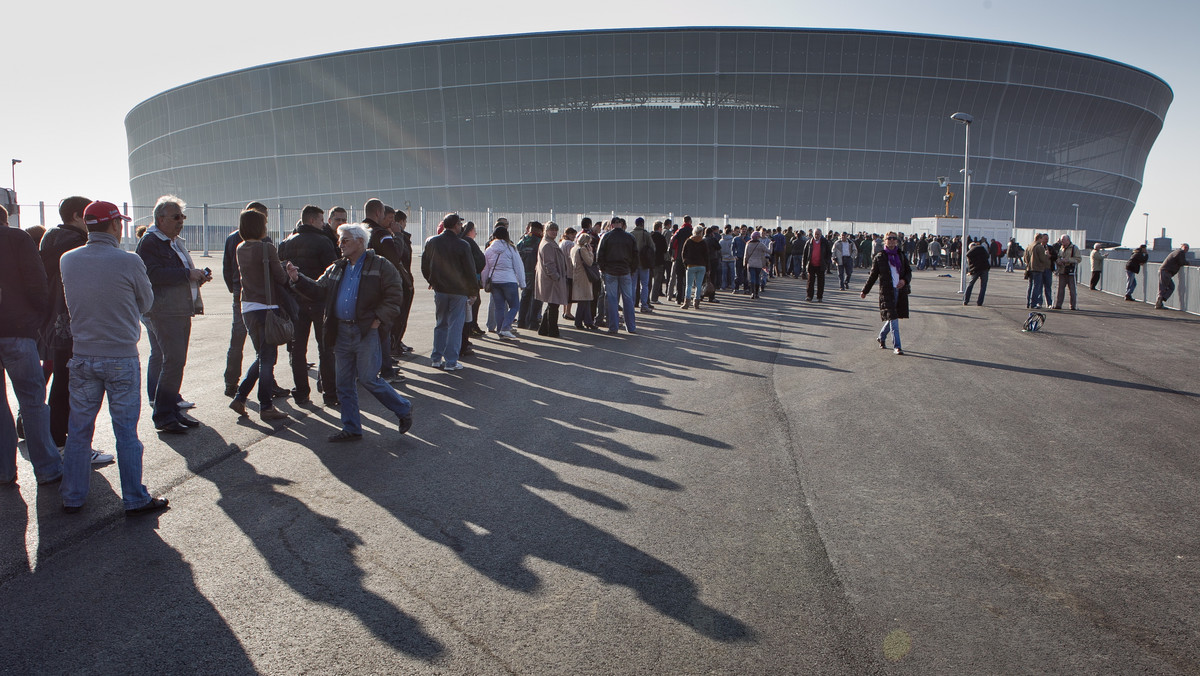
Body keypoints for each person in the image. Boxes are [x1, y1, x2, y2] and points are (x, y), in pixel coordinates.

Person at [58, 200, 167, 514]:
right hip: (120, 355)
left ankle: (73, 495)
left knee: (79, 430)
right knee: (125, 431)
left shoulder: (68, 260)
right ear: (115, 225)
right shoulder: (128, 261)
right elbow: (146, 302)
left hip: (82, 356)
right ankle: (134, 497)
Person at [287, 223, 412, 441]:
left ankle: (403, 408)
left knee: (368, 379)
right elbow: (319, 290)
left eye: (345, 240)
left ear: (360, 242)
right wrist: (298, 279)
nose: (340, 244)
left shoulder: (380, 265)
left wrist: (378, 319)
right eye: (339, 240)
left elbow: (395, 294)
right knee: (343, 383)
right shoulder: (337, 267)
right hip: (341, 331)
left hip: (365, 331)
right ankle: (352, 427)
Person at [37, 195, 114, 464]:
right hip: (74, 323)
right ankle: (70, 446)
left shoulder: (50, 239)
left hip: (53, 323)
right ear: (77, 216)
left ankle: (58, 442)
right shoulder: (76, 244)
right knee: (76, 389)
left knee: (61, 384)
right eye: (87, 214)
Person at [1, 205, 65, 487]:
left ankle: (3, 470)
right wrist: (37, 320)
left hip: (15, 328)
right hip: (17, 330)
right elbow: (36, 282)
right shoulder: (16, 239)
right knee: (32, 402)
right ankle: (48, 469)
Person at [136, 195, 211, 434]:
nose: (180, 222)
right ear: (160, 219)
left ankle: (171, 410)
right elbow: (152, 274)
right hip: (164, 310)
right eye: (175, 217)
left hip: (177, 309)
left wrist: (196, 276)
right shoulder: (151, 242)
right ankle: (163, 414)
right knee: (171, 361)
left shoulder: (172, 241)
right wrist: (186, 275)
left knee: (175, 362)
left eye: (182, 217)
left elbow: (176, 272)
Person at [228, 209, 290, 422]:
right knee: (268, 358)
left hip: (248, 307)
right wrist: (287, 270)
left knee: (262, 356)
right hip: (266, 307)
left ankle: (240, 397)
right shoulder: (267, 248)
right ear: (260, 226)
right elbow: (280, 278)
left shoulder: (240, 248)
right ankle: (265, 405)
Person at [278, 205, 338, 407]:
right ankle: (330, 392)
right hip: (319, 300)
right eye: (321, 220)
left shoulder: (286, 242)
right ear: (312, 220)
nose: (324, 224)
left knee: (297, 349)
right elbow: (332, 272)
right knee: (326, 348)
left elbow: (281, 272)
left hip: (295, 301)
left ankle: (301, 392)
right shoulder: (324, 242)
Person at [222, 202, 275, 398]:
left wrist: (234, 288)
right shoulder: (264, 242)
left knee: (238, 340)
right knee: (264, 347)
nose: (266, 222)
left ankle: (231, 382)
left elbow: (226, 267)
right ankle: (264, 385)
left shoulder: (232, 239)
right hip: (258, 296)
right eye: (265, 218)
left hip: (241, 294)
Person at [421, 214, 479, 370]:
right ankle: (451, 361)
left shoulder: (432, 242)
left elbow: (425, 265)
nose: (461, 227)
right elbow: (469, 269)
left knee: (441, 323)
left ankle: (436, 358)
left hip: (440, 289)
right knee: (455, 325)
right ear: (455, 226)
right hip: (458, 290)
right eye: (459, 225)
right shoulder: (462, 245)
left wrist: (431, 281)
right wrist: (473, 290)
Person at [861, 232, 912, 355]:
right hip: (887, 291)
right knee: (893, 318)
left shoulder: (901, 255)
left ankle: (881, 337)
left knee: (892, 316)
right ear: (885, 241)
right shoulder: (880, 257)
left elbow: (908, 272)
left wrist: (904, 280)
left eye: (895, 238)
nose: (892, 240)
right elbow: (873, 276)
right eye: (889, 238)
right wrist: (865, 291)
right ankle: (897, 346)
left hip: (900, 290)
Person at [481, 225, 524, 339]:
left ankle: (500, 331)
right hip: (509, 280)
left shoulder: (489, 250)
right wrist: (522, 282)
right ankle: (505, 327)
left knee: (499, 307)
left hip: (494, 281)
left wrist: (484, 282)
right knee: (515, 306)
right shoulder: (511, 248)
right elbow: (518, 266)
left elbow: (485, 268)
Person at [596, 217, 638, 334]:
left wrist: (603, 269)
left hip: (610, 271)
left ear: (612, 225)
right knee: (628, 299)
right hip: (625, 271)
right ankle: (631, 326)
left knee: (612, 299)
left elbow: (600, 254)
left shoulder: (606, 237)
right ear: (622, 224)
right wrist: (632, 269)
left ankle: (613, 327)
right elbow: (635, 255)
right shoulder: (630, 237)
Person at [535, 223, 570, 337]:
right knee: (554, 305)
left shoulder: (549, 242)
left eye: (556, 230)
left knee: (552, 304)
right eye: (552, 230)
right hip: (551, 280)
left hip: (551, 279)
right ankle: (553, 331)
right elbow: (548, 264)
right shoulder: (548, 245)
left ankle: (544, 329)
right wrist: (556, 276)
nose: (554, 232)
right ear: (546, 231)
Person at [515, 221, 544, 329]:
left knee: (525, 297)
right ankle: (533, 322)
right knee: (537, 298)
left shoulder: (522, 241)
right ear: (540, 230)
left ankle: (521, 321)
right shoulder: (540, 242)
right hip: (536, 273)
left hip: (524, 273)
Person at [569, 233, 598, 330]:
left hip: (577, 275)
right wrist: (591, 252)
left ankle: (587, 321)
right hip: (584, 276)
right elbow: (589, 262)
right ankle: (581, 321)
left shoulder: (573, 249)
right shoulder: (583, 250)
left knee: (584, 300)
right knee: (584, 300)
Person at [1155, 243, 1190, 309]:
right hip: (1166, 271)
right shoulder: (1180, 252)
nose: (1186, 249)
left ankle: (1160, 300)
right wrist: (1187, 263)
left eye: (1187, 248)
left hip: (1164, 271)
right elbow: (1181, 262)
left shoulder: (1176, 252)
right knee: (1164, 288)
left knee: (1170, 287)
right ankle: (1159, 302)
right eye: (1185, 247)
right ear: (1182, 247)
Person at [680, 227, 708, 309]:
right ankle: (696, 302)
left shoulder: (689, 241)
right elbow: (706, 256)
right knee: (698, 285)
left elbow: (683, 253)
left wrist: (685, 263)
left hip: (691, 265)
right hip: (702, 265)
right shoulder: (703, 242)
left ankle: (687, 302)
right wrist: (708, 267)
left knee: (688, 285)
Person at [802, 229, 833, 301]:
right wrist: (804, 266)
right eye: (815, 234)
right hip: (811, 264)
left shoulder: (824, 242)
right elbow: (805, 255)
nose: (816, 236)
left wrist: (826, 262)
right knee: (810, 282)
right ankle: (809, 296)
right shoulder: (809, 242)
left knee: (821, 282)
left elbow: (829, 253)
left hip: (821, 265)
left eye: (818, 234)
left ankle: (819, 297)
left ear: (821, 234)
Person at [1053, 234, 1081, 310]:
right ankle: (1058, 304)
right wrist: (1058, 261)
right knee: (1060, 289)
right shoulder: (1061, 248)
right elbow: (1058, 257)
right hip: (1062, 271)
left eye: (1063, 240)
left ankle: (1073, 305)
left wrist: (1068, 260)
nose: (1062, 242)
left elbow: (1078, 259)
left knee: (1072, 289)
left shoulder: (1074, 248)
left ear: (1068, 240)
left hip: (1071, 272)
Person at [1025, 234, 1051, 309]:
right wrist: (1047, 255)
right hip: (1037, 268)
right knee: (1036, 286)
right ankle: (1033, 303)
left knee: (1030, 286)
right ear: (1040, 238)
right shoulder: (1039, 247)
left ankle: (1028, 302)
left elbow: (1025, 258)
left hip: (1029, 268)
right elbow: (1043, 259)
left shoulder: (1029, 246)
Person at [743, 231, 770, 299]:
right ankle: (757, 293)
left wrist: (745, 263)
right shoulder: (761, 244)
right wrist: (771, 244)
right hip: (759, 263)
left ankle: (752, 293)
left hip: (751, 263)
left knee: (752, 278)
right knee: (757, 278)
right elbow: (769, 251)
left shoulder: (748, 244)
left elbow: (746, 255)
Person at [963, 240, 990, 306]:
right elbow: (987, 256)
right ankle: (979, 302)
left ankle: (966, 301)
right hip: (984, 268)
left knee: (970, 285)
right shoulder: (982, 248)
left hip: (975, 270)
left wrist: (970, 271)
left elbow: (969, 263)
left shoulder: (969, 253)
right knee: (983, 286)